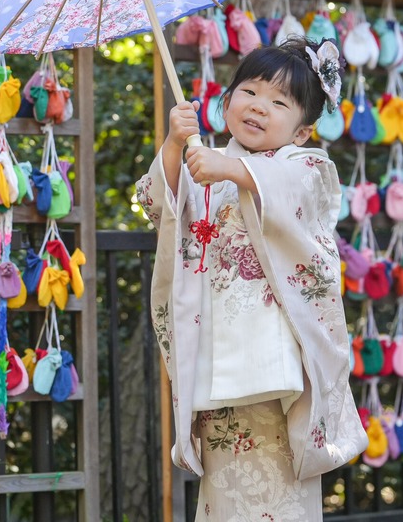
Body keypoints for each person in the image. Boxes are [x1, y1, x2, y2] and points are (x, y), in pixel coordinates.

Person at [136, 35, 367, 521]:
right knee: (225, 486)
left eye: (279, 101)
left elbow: (297, 193)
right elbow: (162, 208)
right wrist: (175, 148)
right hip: (217, 349)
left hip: (274, 358)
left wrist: (236, 170)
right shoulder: (208, 162)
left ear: (302, 131)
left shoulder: (304, 166)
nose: (259, 106)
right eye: (250, 91)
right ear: (227, 100)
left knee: (279, 487)